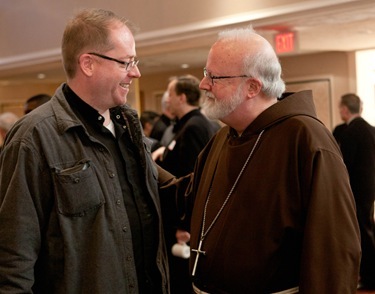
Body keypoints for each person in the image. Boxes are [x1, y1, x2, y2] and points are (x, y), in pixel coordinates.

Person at [0, 8, 175, 293]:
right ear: (88, 64)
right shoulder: (34, 137)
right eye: (126, 62)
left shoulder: (128, 127)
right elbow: (12, 257)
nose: (136, 72)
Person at [184, 27, 361, 293]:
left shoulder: (305, 138)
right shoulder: (223, 137)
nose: (203, 84)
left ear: (253, 87)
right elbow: (188, 197)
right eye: (205, 73)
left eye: (214, 76)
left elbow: (332, 251)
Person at [153, 75, 219, 294]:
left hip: (185, 220)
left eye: (170, 95)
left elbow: (192, 176)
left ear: (181, 98)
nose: (167, 100)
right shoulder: (194, 123)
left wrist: (185, 224)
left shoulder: (194, 126)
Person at [333, 93, 375, 290]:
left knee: (359, 232)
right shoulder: (371, 129)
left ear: (344, 109)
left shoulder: (349, 132)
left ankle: (368, 275)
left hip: (355, 189)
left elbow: (344, 165)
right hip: (370, 188)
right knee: (367, 228)